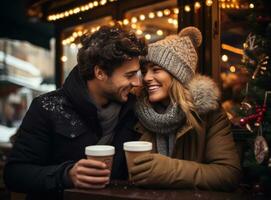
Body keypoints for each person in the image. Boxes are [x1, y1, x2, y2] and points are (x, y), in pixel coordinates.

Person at [4, 25, 147, 200]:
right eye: (129, 75)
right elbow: (15, 174)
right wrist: (66, 175)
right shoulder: (47, 107)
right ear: (100, 73)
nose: (137, 82)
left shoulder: (134, 110)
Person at [131, 27, 241, 191]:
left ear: (177, 75)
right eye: (145, 71)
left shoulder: (208, 114)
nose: (146, 78)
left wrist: (169, 170)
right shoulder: (134, 112)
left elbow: (228, 174)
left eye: (156, 70)